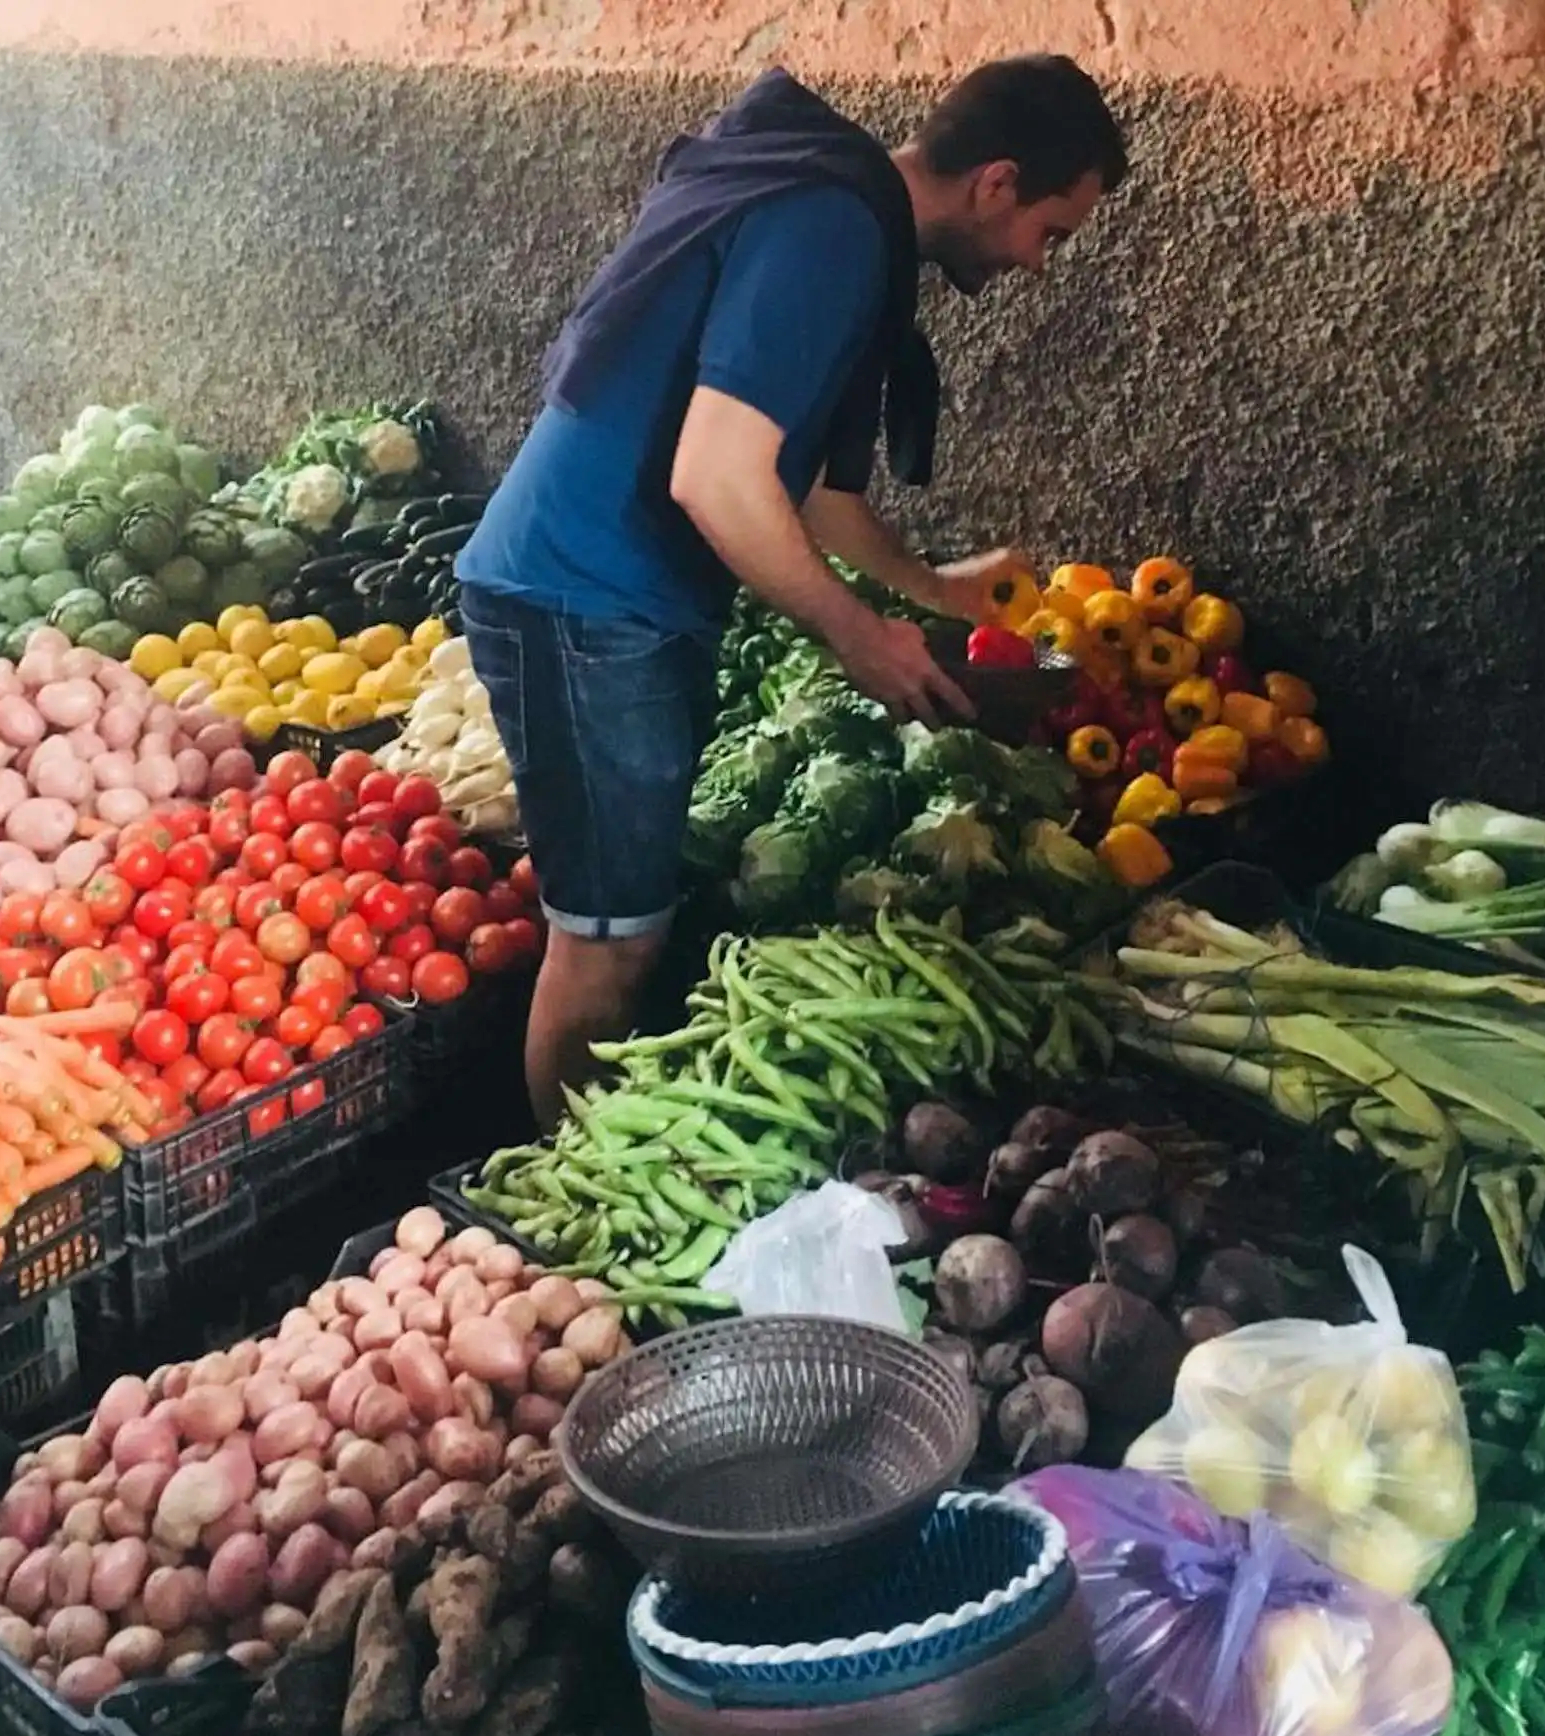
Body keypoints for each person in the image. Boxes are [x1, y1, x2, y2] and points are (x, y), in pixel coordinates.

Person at [457, 55, 1129, 1127]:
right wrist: (861, 635)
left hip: (609, 599)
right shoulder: (830, 230)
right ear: (996, 181)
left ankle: (586, 1189)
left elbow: (804, 492)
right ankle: (567, 1225)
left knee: (625, 932)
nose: (1039, 265)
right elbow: (716, 476)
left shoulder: (840, 214)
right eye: (1050, 232)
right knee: (606, 944)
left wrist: (929, 592)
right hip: (581, 598)